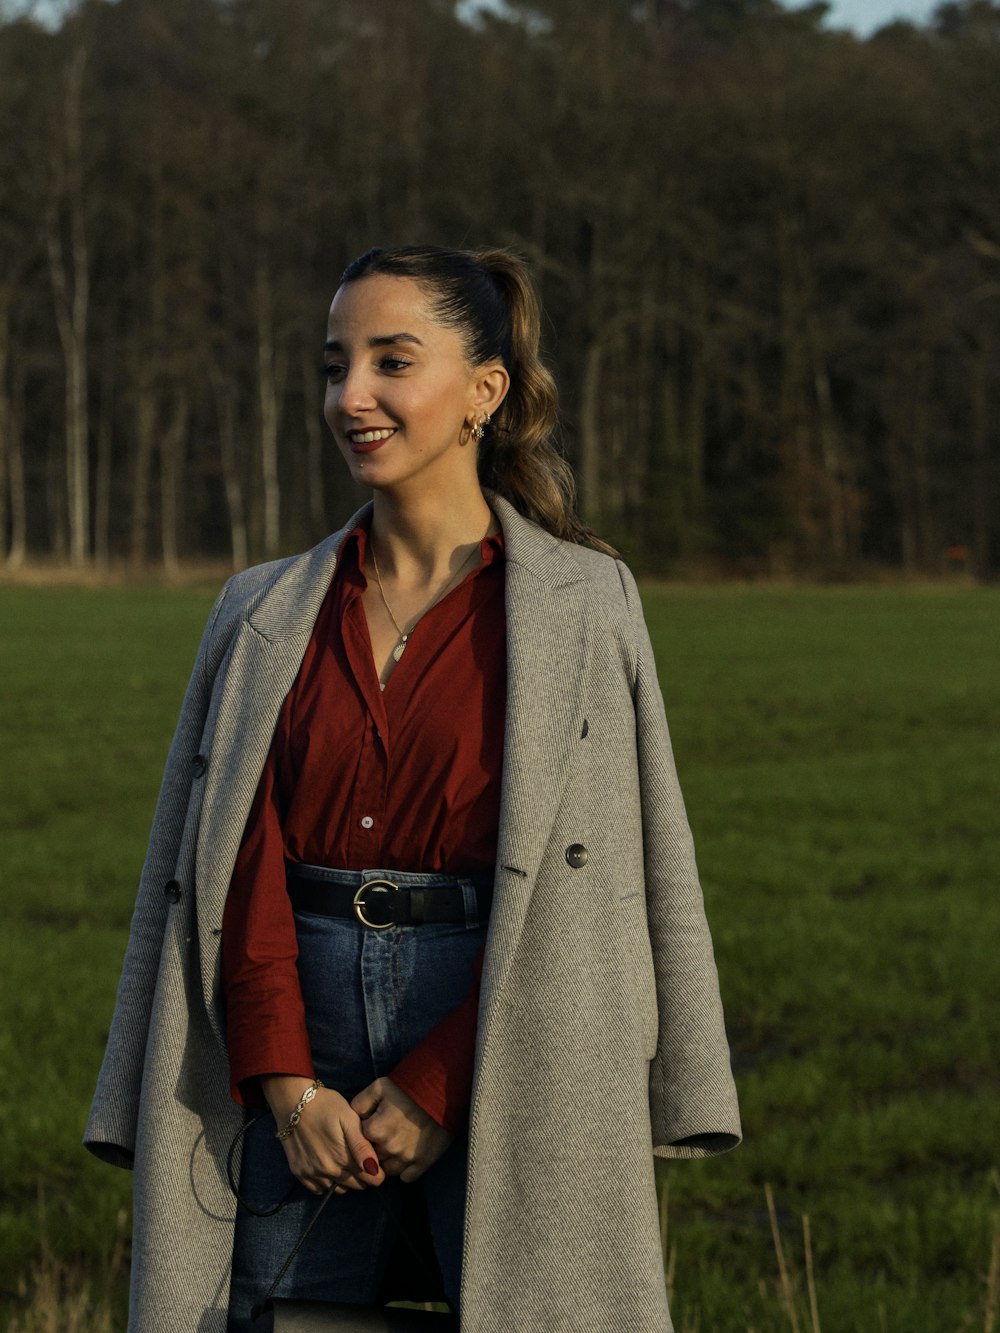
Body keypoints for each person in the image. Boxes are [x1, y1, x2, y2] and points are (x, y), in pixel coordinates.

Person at [85, 244, 741, 1333]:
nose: (351, 396)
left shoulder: (586, 603)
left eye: (392, 361)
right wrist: (287, 1085)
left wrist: (442, 1082)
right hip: (291, 1039)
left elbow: (607, 886)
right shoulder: (259, 611)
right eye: (334, 364)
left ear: (485, 390)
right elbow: (226, 873)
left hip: (509, 1028)